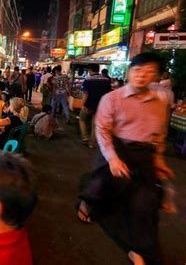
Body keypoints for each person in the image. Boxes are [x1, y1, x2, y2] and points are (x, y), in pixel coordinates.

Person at [78, 52, 174, 265]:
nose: (142, 76)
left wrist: (158, 159)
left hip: (143, 156)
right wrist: (112, 158)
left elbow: (159, 134)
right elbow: (102, 130)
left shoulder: (160, 102)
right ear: (130, 72)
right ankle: (86, 203)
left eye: (149, 72)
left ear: (156, 77)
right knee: (101, 187)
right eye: (138, 70)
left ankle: (138, 250)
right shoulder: (112, 98)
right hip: (117, 149)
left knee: (145, 205)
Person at [79, 64, 111, 148]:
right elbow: (108, 93)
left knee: (82, 119)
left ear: (90, 70)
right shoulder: (106, 79)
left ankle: (85, 137)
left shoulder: (88, 79)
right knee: (95, 124)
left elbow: (85, 94)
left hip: (89, 105)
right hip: (101, 106)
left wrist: (83, 104)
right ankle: (92, 144)